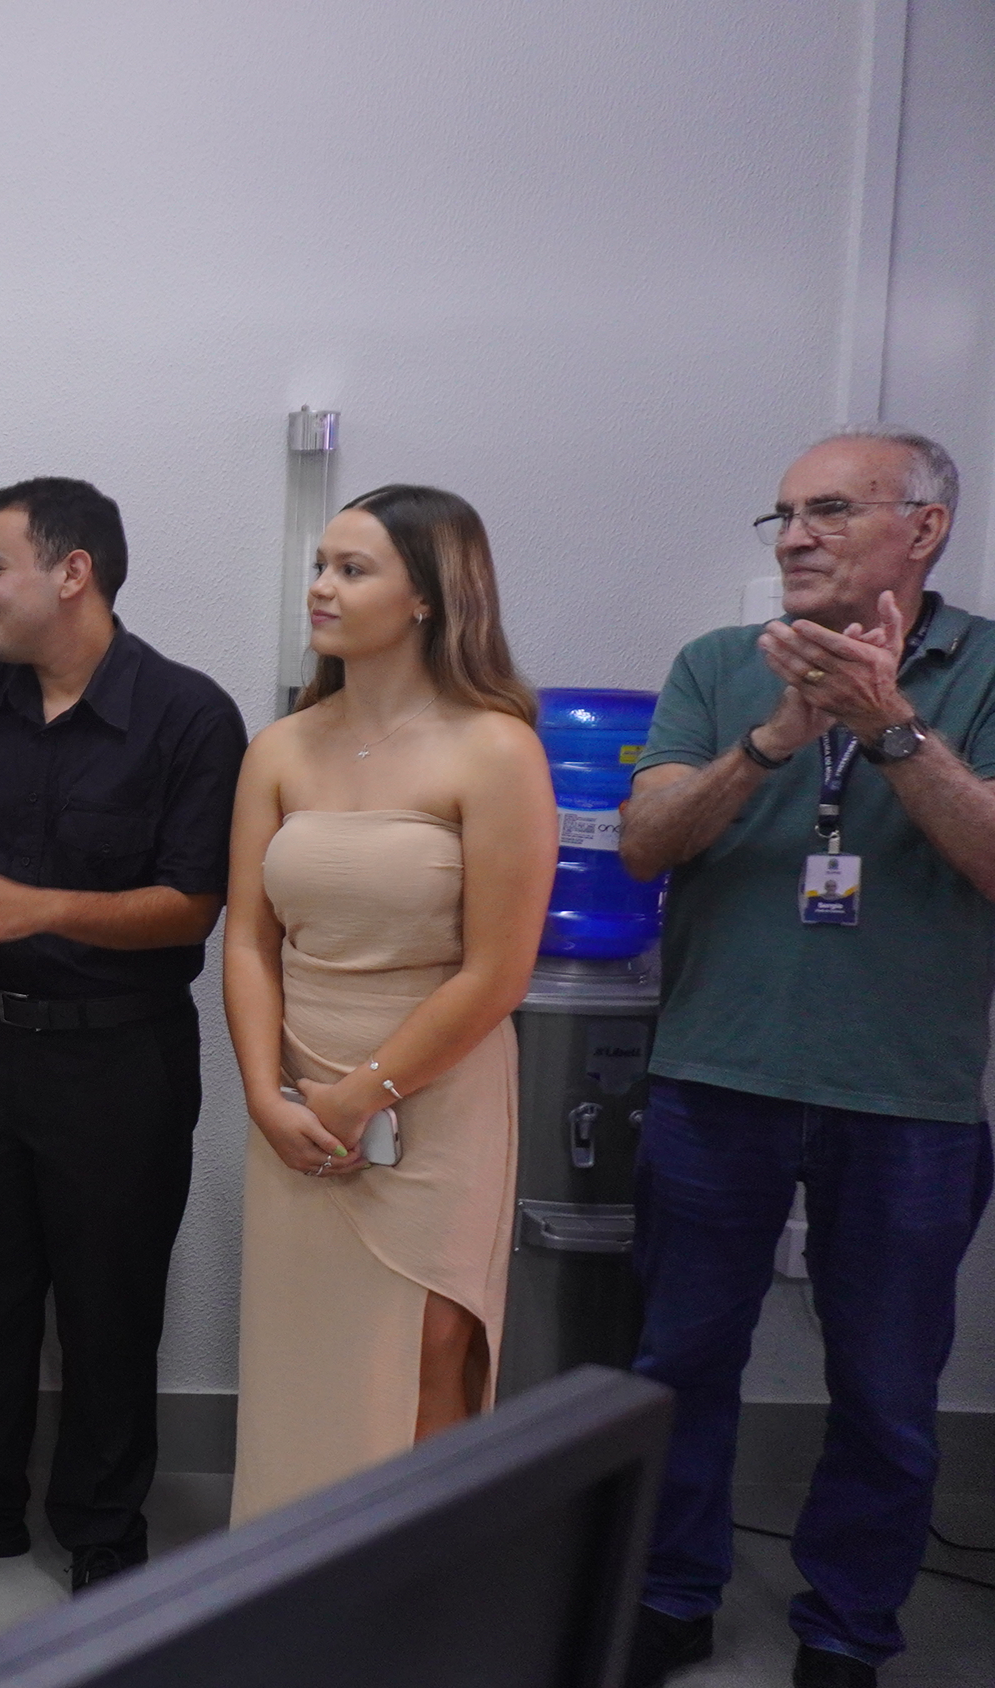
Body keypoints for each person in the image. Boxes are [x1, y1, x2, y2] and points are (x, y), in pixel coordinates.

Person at [616, 427, 995, 1688]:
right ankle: (666, 1593)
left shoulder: (985, 668)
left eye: (828, 510)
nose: (792, 536)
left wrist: (889, 726)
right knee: (676, 1361)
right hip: (713, 1074)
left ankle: (844, 1630)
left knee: (884, 1388)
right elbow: (643, 842)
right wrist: (771, 738)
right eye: (781, 514)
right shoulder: (718, 665)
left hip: (904, 1096)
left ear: (923, 529)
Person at [0, 477, 245, 1587]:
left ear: (71, 572)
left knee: (107, 1305)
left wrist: (38, 908)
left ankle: (101, 1525)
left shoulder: (188, 715)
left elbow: (190, 905)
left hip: (116, 1056)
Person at [223, 485, 553, 1521]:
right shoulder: (279, 746)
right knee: (302, 1358)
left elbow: (497, 972)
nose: (320, 587)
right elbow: (247, 939)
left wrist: (360, 1094)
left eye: (352, 568)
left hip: (434, 1093)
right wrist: (266, 1094)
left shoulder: (494, 748)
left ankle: (414, 1588)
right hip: (295, 1101)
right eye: (320, 564)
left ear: (428, 596)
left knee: (425, 1350)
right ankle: (288, 1575)